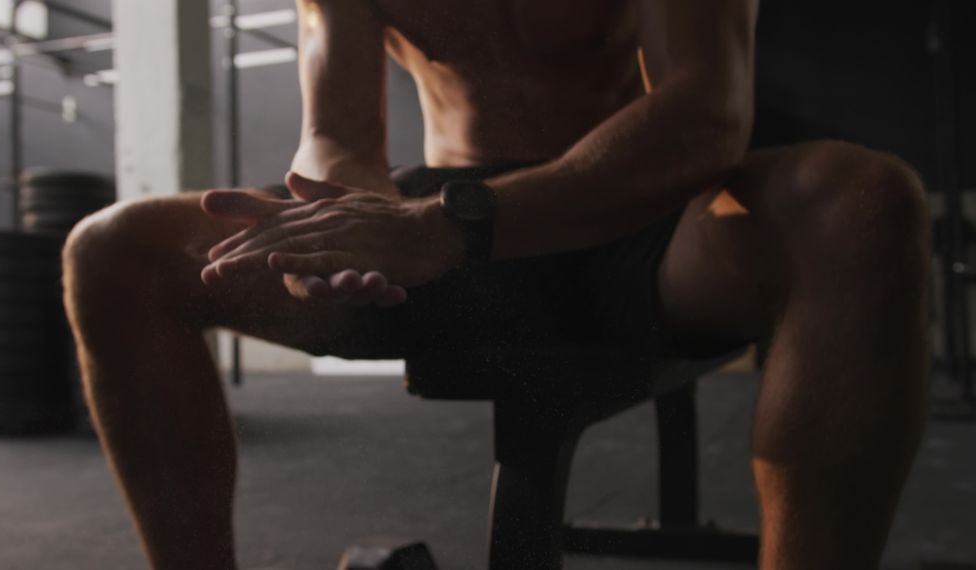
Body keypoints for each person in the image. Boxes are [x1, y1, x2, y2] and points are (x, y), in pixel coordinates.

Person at [62, 0, 930, 568]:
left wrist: (457, 222)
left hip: (641, 218)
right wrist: (339, 219)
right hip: (436, 229)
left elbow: (704, 114)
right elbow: (336, 131)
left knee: (861, 201)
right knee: (113, 250)